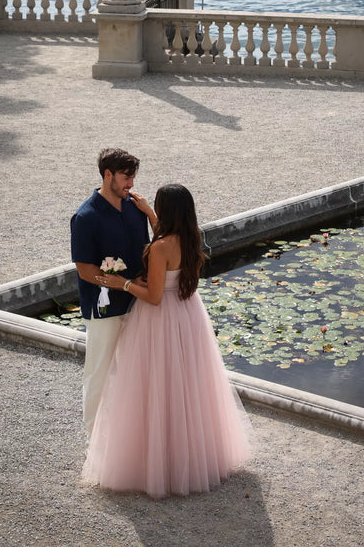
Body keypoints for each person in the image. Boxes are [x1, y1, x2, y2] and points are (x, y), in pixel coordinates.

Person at [82, 183, 251, 499]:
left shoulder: (160, 248)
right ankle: (188, 455)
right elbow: (166, 240)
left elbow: (155, 296)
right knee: (186, 387)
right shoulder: (190, 237)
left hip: (160, 320)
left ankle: (158, 461)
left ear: (167, 211)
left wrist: (125, 283)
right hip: (188, 314)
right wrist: (149, 213)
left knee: (156, 387)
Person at [70, 147, 156, 436]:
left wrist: (150, 212)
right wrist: (119, 283)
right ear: (108, 175)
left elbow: (148, 250)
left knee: (138, 372)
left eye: (132, 177)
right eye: (126, 177)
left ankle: (131, 437)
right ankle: (94, 441)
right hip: (104, 307)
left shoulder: (135, 207)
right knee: (99, 372)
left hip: (139, 303)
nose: (131, 183)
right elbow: (84, 271)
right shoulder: (85, 217)